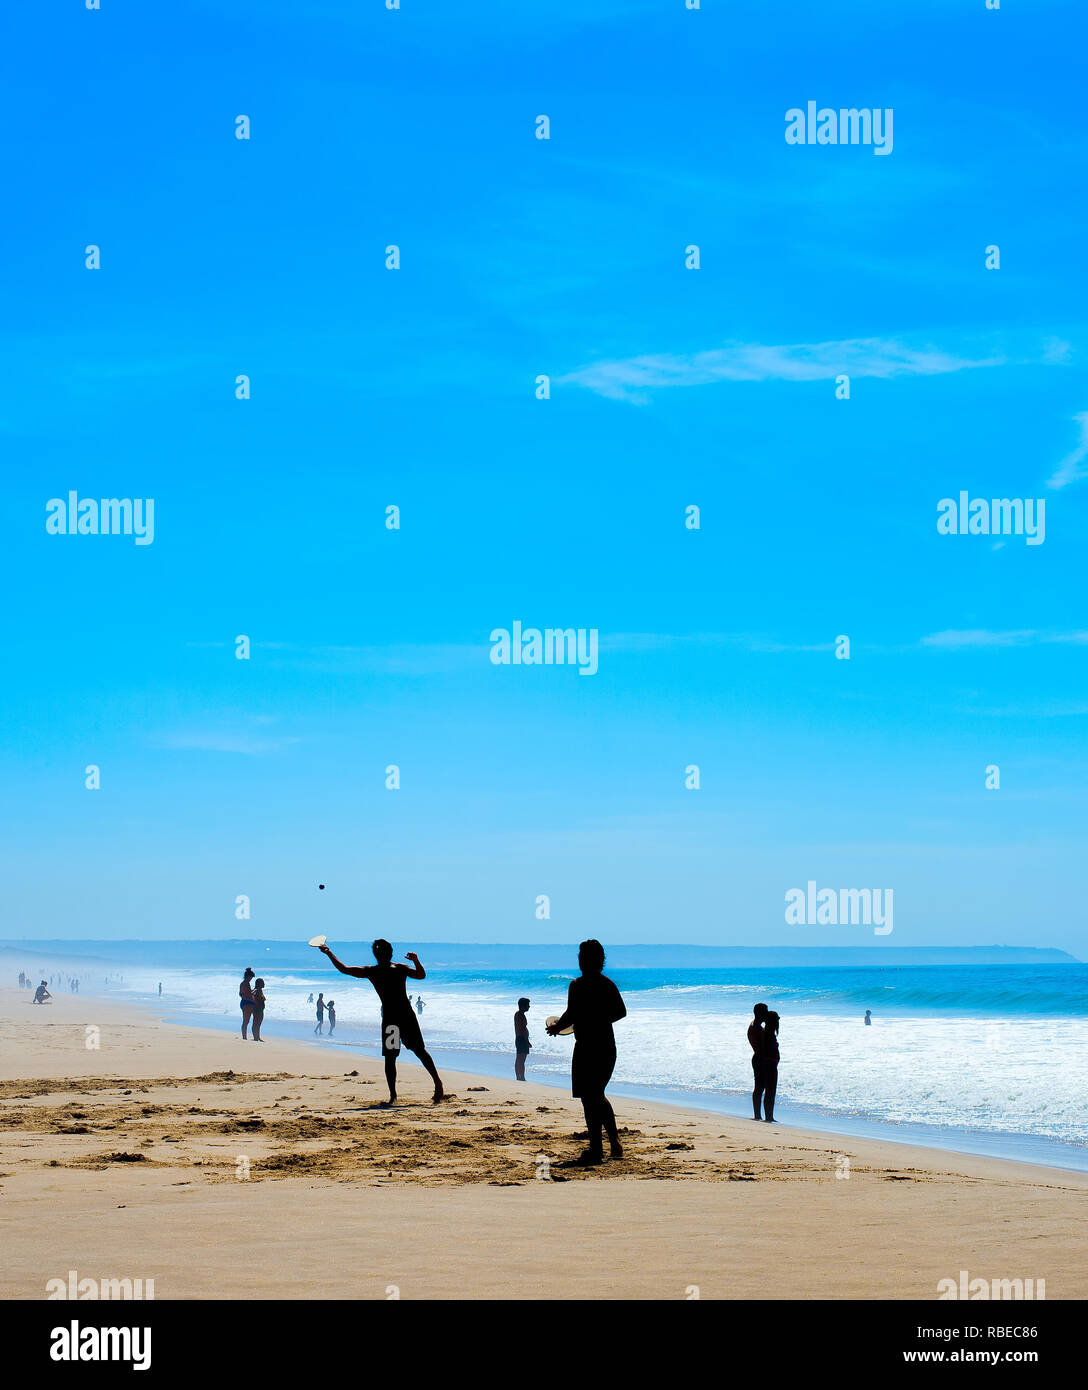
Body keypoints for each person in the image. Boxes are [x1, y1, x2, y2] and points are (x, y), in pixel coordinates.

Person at [319, 940, 444, 1104]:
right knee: (408, 1053)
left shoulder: (381, 970)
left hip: (398, 1018)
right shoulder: (390, 969)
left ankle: (400, 1094)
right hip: (402, 1016)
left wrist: (329, 953)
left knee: (402, 1054)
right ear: (389, 953)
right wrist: (415, 960)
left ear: (378, 954)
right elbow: (421, 975)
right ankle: (428, 1085)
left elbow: (344, 969)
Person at [546, 940, 626, 1165]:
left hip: (596, 1048)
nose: (580, 961)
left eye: (584, 957)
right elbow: (573, 1013)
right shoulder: (591, 985)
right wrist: (558, 1027)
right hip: (594, 1047)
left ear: (595, 960)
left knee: (593, 1097)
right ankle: (608, 1143)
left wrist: (590, 1020)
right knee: (592, 1097)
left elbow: (619, 1012)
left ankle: (600, 1147)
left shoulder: (591, 985)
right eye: (580, 956)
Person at [748, 1002, 769, 1120]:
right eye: (765, 1011)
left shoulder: (756, 1025)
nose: (767, 1013)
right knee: (760, 1087)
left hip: (758, 1058)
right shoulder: (755, 1027)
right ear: (760, 1013)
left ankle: (758, 1114)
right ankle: (757, 1115)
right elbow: (762, 1046)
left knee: (760, 1087)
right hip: (760, 1058)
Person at [759, 1011, 780, 1123]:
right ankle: (768, 1117)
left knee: (770, 1091)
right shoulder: (768, 1033)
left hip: (770, 1063)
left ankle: (769, 1116)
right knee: (770, 1091)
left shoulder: (769, 1032)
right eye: (777, 1019)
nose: (778, 1021)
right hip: (770, 1064)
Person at [514, 997, 531, 1081]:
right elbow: (523, 1029)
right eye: (528, 1005)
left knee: (519, 1059)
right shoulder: (521, 1015)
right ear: (523, 1006)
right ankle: (521, 1077)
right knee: (521, 1059)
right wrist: (527, 1040)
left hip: (519, 1038)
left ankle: (519, 1076)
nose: (529, 1006)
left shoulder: (517, 1014)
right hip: (522, 1039)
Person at [239, 968, 256, 1039]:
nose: (251, 979)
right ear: (248, 976)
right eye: (251, 977)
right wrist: (252, 1000)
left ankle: (244, 1036)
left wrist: (253, 990)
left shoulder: (242, 983)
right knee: (246, 1021)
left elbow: (241, 994)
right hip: (247, 1003)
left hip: (243, 1003)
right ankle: (244, 1037)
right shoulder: (246, 983)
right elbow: (247, 995)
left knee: (245, 1021)